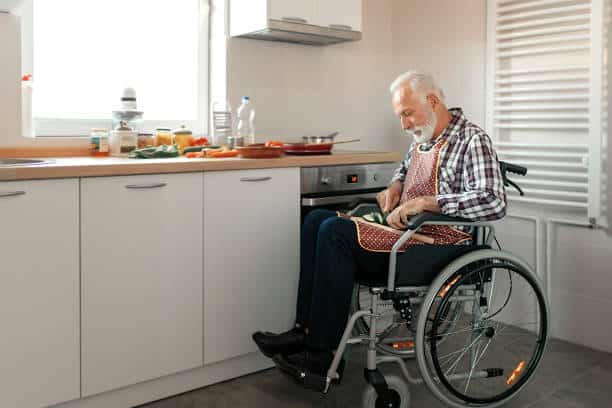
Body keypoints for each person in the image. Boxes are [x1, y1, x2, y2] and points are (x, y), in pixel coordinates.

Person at [252, 71, 507, 388]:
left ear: (432, 101)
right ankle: (305, 330)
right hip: (408, 234)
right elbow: (404, 171)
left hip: (438, 245)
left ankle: (322, 352)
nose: (403, 124)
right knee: (317, 221)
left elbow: (493, 202)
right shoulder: (422, 140)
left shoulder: (472, 141)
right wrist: (396, 187)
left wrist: (426, 203)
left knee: (335, 232)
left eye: (406, 113)